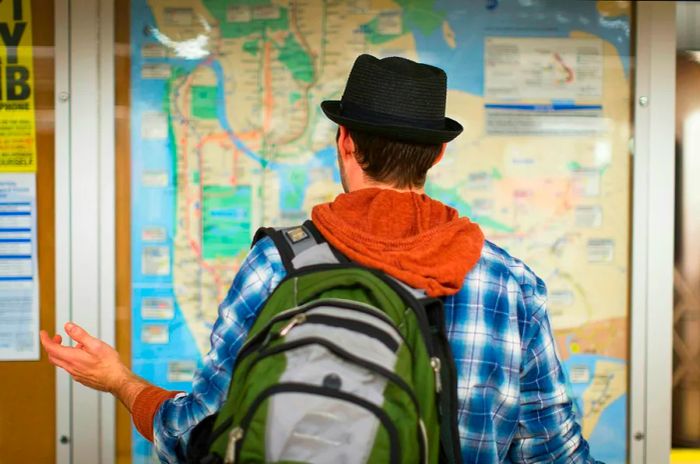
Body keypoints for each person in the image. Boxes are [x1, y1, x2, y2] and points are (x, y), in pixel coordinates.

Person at [41, 54, 595, 463]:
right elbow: (555, 453)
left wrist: (120, 382)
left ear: (345, 141)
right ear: (439, 153)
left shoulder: (276, 266)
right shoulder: (508, 284)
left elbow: (196, 434)